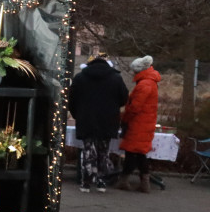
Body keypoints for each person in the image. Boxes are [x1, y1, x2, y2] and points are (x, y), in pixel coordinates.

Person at [68, 52, 128, 193]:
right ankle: (101, 182)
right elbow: (124, 98)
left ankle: (86, 182)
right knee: (103, 151)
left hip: (86, 119)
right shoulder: (116, 78)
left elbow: (72, 100)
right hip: (108, 120)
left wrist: (78, 114)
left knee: (88, 151)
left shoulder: (80, 77)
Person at [117, 55, 161, 193]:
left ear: (138, 71)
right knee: (140, 153)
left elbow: (135, 107)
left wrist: (125, 118)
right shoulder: (150, 82)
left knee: (132, 153)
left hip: (138, 124)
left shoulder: (144, 84)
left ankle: (125, 180)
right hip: (145, 123)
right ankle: (143, 183)